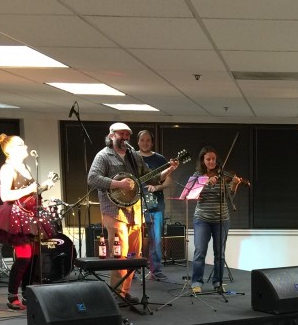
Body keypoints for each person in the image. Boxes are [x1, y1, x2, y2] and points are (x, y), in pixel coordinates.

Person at [87, 122, 177, 298]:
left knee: (134, 254)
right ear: (112, 135)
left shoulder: (133, 156)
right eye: (122, 134)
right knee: (120, 253)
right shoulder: (103, 156)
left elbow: (152, 177)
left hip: (134, 210)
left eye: (128, 135)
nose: (126, 138)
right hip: (113, 210)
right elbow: (92, 178)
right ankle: (115, 292)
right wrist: (117, 184)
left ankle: (125, 292)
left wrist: (170, 169)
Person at [0, 133, 58, 310]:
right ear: (10, 150)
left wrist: (44, 186)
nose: (25, 147)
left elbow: (31, 193)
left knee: (34, 258)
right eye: (21, 145)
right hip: (16, 215)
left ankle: (27, 294)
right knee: (24, 257)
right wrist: (30, 189)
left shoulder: (25, 167)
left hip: (31, 215)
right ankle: (12, 295)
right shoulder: (7, 169)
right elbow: (5, 195)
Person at [187, 146, 243, 294]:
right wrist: (205, 182)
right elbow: (192, 194)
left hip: (222, 219)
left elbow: (229, 197)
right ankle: (196, 282)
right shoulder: (197, 176)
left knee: (220, 253)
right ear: (203, 161)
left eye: (213, 159)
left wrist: (235, 184)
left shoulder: (224, 175)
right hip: (202, 219)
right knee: (200, 250)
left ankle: (218, 281)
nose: (212, 162)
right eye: (208, 159)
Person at [135, 130, 174, 282]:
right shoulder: (132, 158)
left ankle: (155, 271)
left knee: (156, 239)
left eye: (148, 140)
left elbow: (169, 181)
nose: (145, 143)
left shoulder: (160, 159)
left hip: (156, 205)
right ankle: (132, 270)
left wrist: (156, 188)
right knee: (134, 239)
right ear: (138, 142)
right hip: (135, 204)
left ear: (152, 142)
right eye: (142, 140)